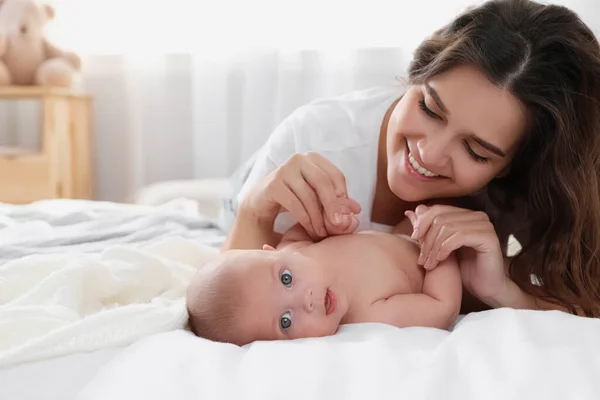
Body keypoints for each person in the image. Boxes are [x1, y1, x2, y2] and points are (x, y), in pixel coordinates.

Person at [223, 0, 600, 317]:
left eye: (476, 151)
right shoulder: (316, 139)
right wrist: (254, 210)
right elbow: (229, 296)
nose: (429, 153)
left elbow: (581, 305)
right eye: (430, 109)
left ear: (513, 167)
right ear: (416, 74)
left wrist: (501, 290)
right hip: (254, 186)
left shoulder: (531, 202)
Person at [187, 221, 462, 346]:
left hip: (405, 224)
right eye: (285, 321)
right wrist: (440, 249)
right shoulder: (371, 314)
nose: (305, 300)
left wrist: (335, 220)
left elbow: (307, 224)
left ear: (276, 251)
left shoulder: (298, 248)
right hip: (445, 255)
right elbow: (442, 306)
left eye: (286, 279)